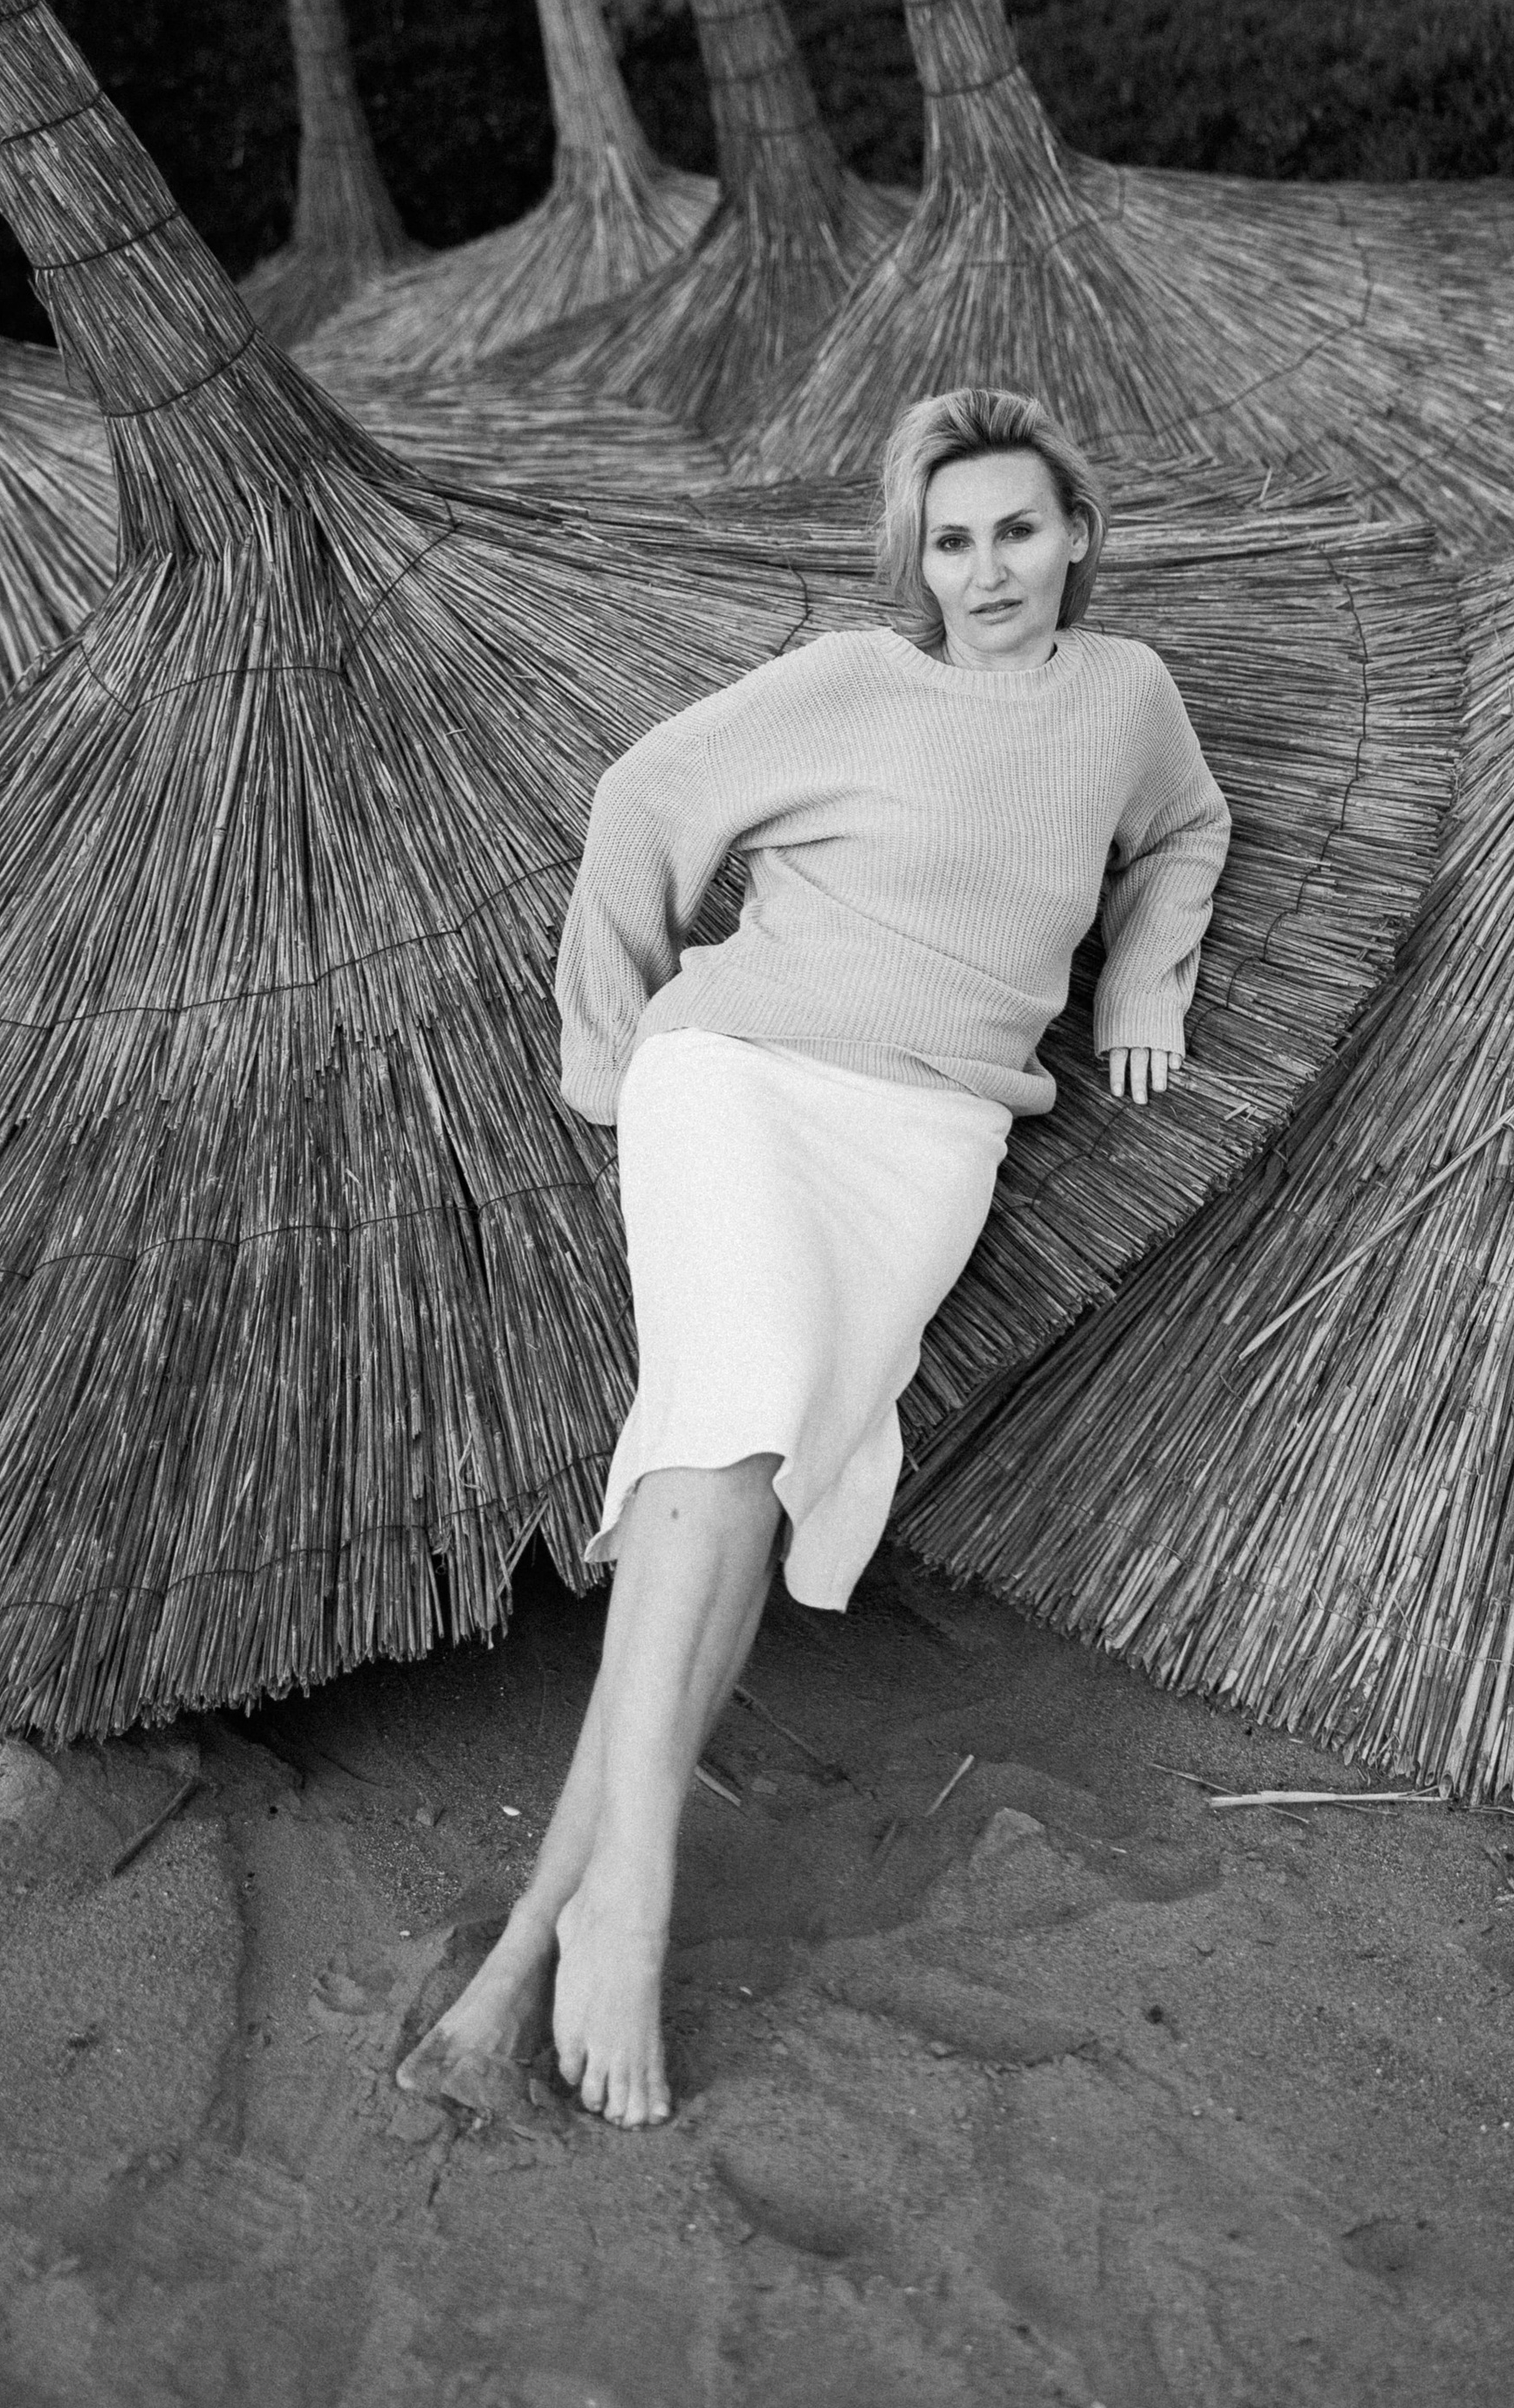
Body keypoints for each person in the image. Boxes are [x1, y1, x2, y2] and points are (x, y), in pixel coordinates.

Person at [399, 386, 1231, 2128]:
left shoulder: (1123, 699)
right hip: (741, 1082)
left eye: (1015, 527)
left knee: (742, 1482)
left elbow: (1181, 835)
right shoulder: (851, 685)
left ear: (1075, 532)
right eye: (951, 538)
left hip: (924, 1143)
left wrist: (1144, 979)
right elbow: (645, 798)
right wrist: (612, 1049)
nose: (985, 566)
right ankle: (621, 1909)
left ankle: (520, 1953)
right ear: (912, 558)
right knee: (728, 1432)